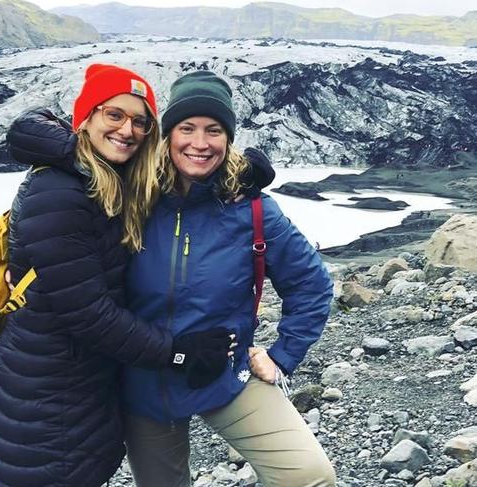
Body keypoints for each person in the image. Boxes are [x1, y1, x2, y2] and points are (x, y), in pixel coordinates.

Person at [0, 64, 235, 487]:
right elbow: (87, 314)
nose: (127, 130)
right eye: (114, 115)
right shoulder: (58, 192)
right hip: (46, 405)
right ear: (87, 118)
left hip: (73, 396)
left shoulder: (112, 181)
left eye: (139, 121)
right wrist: (178, 352)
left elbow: (183, 181)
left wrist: (241, 177)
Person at [122, 71, 336, 487]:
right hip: (144, 382)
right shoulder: (130, 195)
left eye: (214, 130)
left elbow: (311, 285)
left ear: (228, 138)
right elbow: (83, 162)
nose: (199, 143)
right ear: (166, 135)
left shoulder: (253, 210)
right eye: (187, 128)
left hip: (225, 374)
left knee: (308, 476)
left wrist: (283, 354)